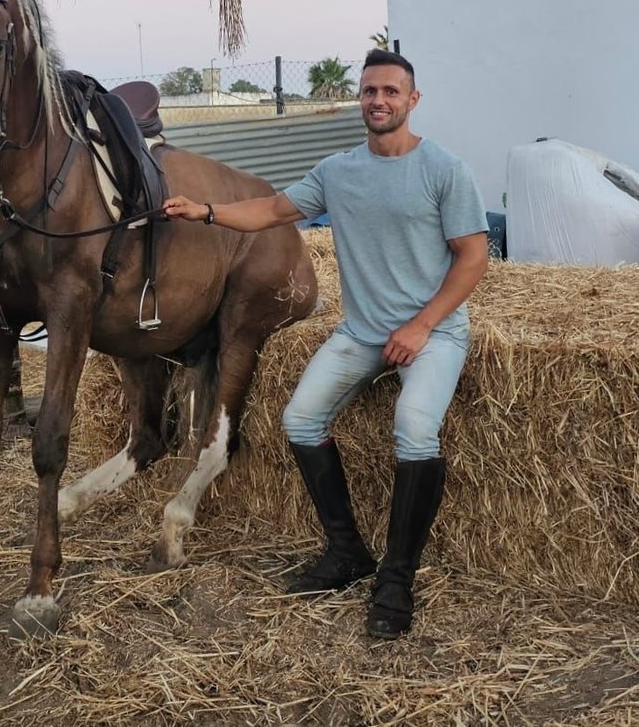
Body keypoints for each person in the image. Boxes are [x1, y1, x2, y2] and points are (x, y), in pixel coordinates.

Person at [163, 49, 489, 639]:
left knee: (414, 429)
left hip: (433, 333)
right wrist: (204, 210)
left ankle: (396, 578)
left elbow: (473, 257)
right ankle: (347, 553)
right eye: (370, 91)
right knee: (300, 419)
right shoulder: (338, 172)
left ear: (412, 100)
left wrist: (420, 327)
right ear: (359, 99)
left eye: (391, 91)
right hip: (362, 333)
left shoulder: (445, 169)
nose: (379, 101)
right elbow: (269, 209)